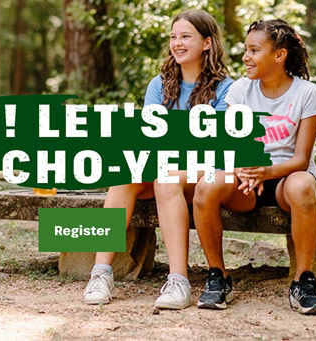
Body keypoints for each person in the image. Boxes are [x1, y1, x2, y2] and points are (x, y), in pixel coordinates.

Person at [162, 18, 316, 314]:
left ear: (279, 55)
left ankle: (302, 280)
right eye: (246, 49)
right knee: (208, 185)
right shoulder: (240, 91)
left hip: (287, 177)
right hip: (246, 177)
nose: (245, 57)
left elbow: (301, 159)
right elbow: (231, 143)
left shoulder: (307, 93)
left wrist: (265, 172)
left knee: (303, 185)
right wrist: (246, 168)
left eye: (254, 50)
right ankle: (218, 276)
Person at [81, 9, 235, 310]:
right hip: (168, 166)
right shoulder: (159, 85)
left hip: (209, 172)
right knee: (125, 174)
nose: (177, 43)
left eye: (186, 36)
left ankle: (179, 280)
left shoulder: (227, 88)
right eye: (173, 37)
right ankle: (101, 273)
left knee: (166, 176)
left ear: (207, 42)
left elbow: (217, 146)